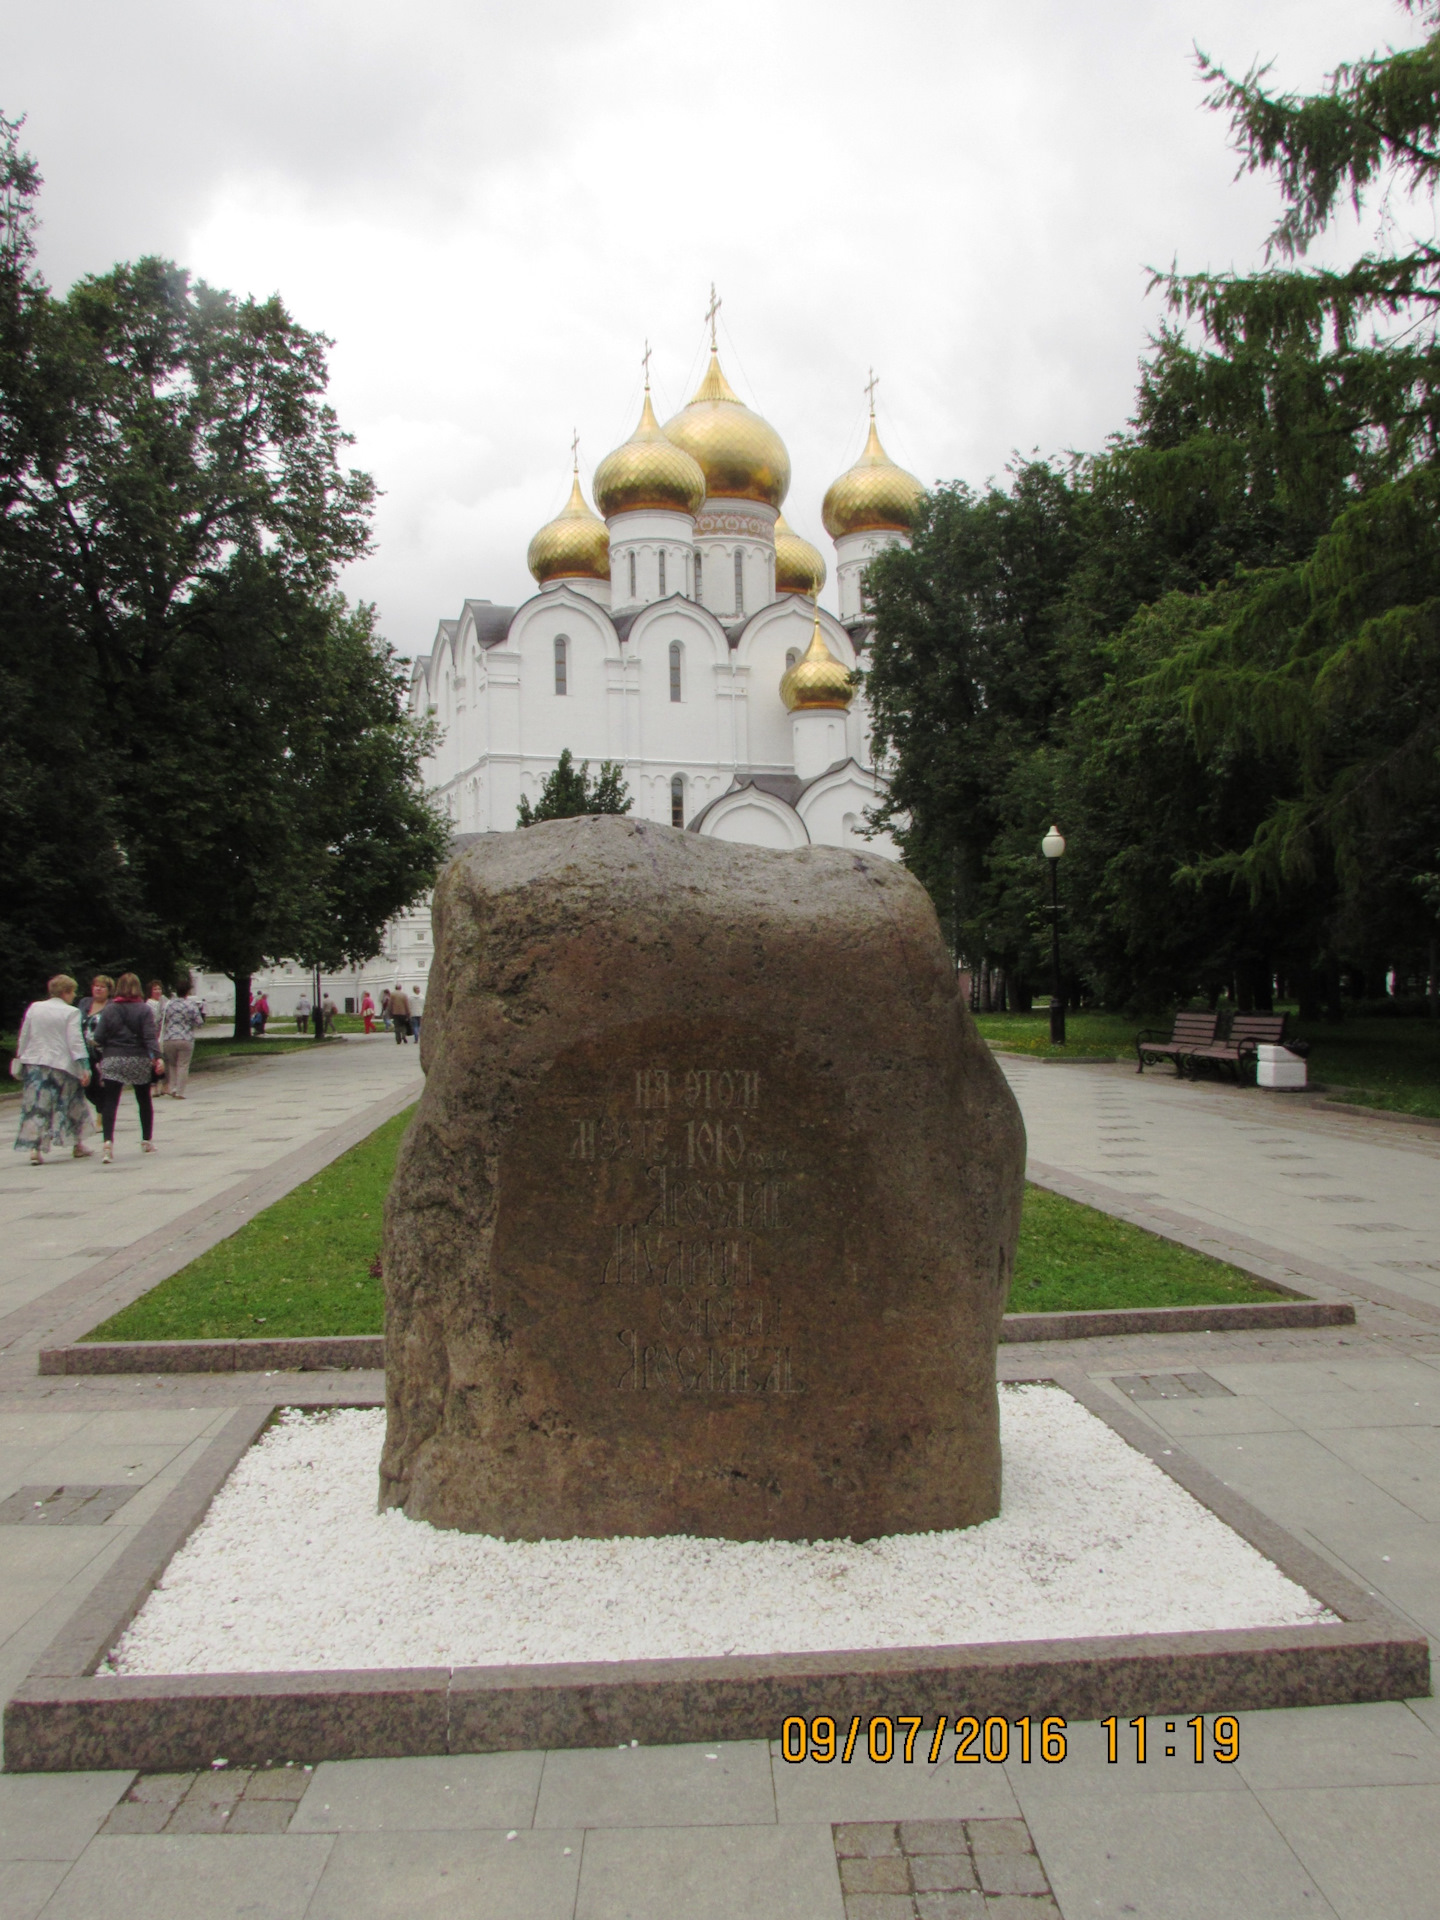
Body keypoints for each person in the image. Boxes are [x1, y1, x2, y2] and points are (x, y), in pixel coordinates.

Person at [11, 975, 93, 1164]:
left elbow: (25, 1034)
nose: (74, 996)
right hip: (61, 1065)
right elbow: (75, 1041)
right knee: (72, 1103)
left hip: (35, 1062)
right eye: (72, 992)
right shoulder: (71, 1012)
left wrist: (20, 1055)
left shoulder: (35, 1007)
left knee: (36, 1106)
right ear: (65, 992)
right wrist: (84, 1066)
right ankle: (77, 1144)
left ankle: (34, 1148)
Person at [94, 971, 164, 1162]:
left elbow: (98, 1037)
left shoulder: (108, 1009)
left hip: (113, 1058)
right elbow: (150, 1037)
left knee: (110, 1101)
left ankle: (108, 1143)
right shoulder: (144, 1010)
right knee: (143, 1099)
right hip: (138, 1058)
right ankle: (146, 1140)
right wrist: (157, 1058)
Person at [158, 983, 205, 1097]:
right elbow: (199, 1023)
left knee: (172, 1065)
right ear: (187, 992)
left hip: (169, 1038)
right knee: (183, 1065)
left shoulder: (168, 1004)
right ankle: (180, 1091)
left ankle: (172, 1088)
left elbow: (160, 1020)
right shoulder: (191, 1005)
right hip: (186, 1038)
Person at [80, 975, 114, 1117]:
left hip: (103, 1052)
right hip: (84, 1051)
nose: (98, 989)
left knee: (102, 1084)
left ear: (108, 990)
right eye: (96, 986)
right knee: (87, 1086)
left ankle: (102, 1113)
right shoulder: (84, 1003)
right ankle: (102, 1107)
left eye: (102, 987)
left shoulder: (112, 1006)